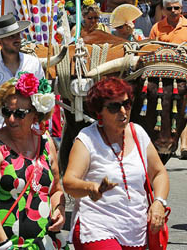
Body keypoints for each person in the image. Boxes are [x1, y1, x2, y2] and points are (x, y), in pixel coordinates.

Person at [63, 77, 170, 249]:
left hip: (136, 231)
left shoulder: (138, 133)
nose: (123, 111)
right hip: (97, 228)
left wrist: (159, 202)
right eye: (114, 107)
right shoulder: (87, 139)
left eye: (126, 104)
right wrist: (91, 188)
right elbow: (69, 182)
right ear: (99, 111)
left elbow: (159, 173)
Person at [0, 73, 66, 249]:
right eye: (6, 112)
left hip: (45, 243)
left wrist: (60, 210)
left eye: (19, 114)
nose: (11, 119)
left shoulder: (46, 142)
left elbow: (55, 190)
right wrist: (4, 244)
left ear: (36, 115)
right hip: (6, 244)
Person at [0, 14, 44, 145]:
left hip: (30, 137)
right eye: (11, 36)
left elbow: (43, 100)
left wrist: (42, 134)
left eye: (18, 35)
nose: (17, 39)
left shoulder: (34, 64)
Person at [148, 0, 187, 160]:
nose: (173, 11)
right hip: (161, 80)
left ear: (181, 9)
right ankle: (159, 140)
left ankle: (183, 144)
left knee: (183, 111)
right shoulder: (157, 28)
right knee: (161, 111)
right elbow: (149, 51)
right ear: (164, 10)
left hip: (183, 79)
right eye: (170, 8)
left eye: (177, 8)